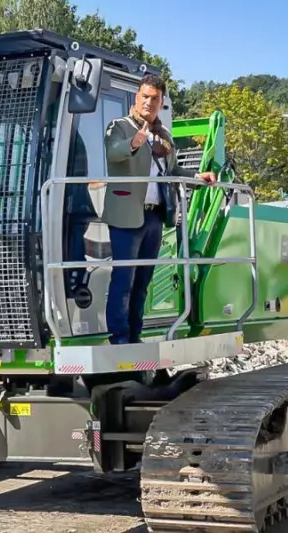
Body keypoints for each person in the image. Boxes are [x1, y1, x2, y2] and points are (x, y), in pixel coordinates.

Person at [101, 74, 216, 345]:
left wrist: (197, 178)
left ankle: (134, 335)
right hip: (126, 215)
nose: (149, 102)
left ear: (161, 101)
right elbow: (113, 152)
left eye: (155, 98)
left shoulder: (164, 136)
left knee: (142, 283)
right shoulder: (120, 126)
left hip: (154, 215)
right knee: (123, 280)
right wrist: (135, 142)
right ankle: (119, 338)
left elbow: (172, 170)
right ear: (136, 98)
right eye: (145, 97)